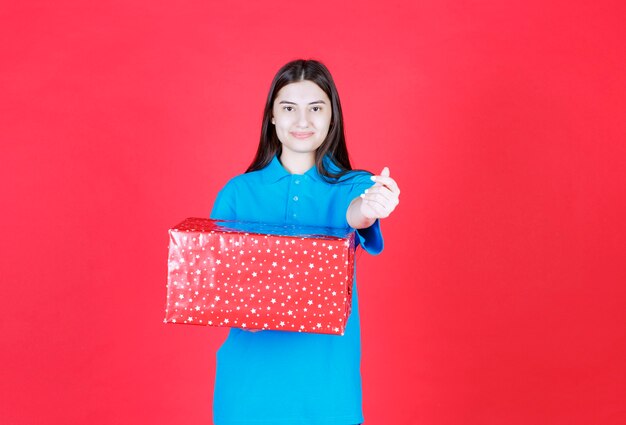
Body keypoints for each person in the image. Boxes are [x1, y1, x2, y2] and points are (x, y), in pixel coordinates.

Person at [210, 59, 401, 425]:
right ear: (272, 117)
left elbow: (357, 214)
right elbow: (219, 285)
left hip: (327, 395)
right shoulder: (237, 192)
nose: (302, 121)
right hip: (246, 393)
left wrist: (373, 205)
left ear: (333, 116)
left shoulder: (353, 186)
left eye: (316, 108)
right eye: (289, 108)